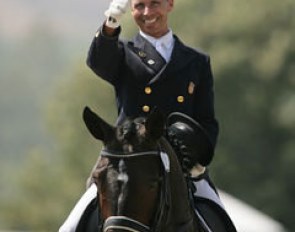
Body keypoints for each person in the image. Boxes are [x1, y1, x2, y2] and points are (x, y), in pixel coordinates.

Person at [59, 0, 237, 231]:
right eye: (139, 5)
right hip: (127, 158)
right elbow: (98, 61)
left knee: (222, 222)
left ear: (170, 4)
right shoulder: (123, 53)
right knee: (69, 227)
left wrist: (196, 158)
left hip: (181, 165)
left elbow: (207, 121)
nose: (147, 12)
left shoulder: (197, 61)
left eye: (154, 4)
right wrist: (111, 22)